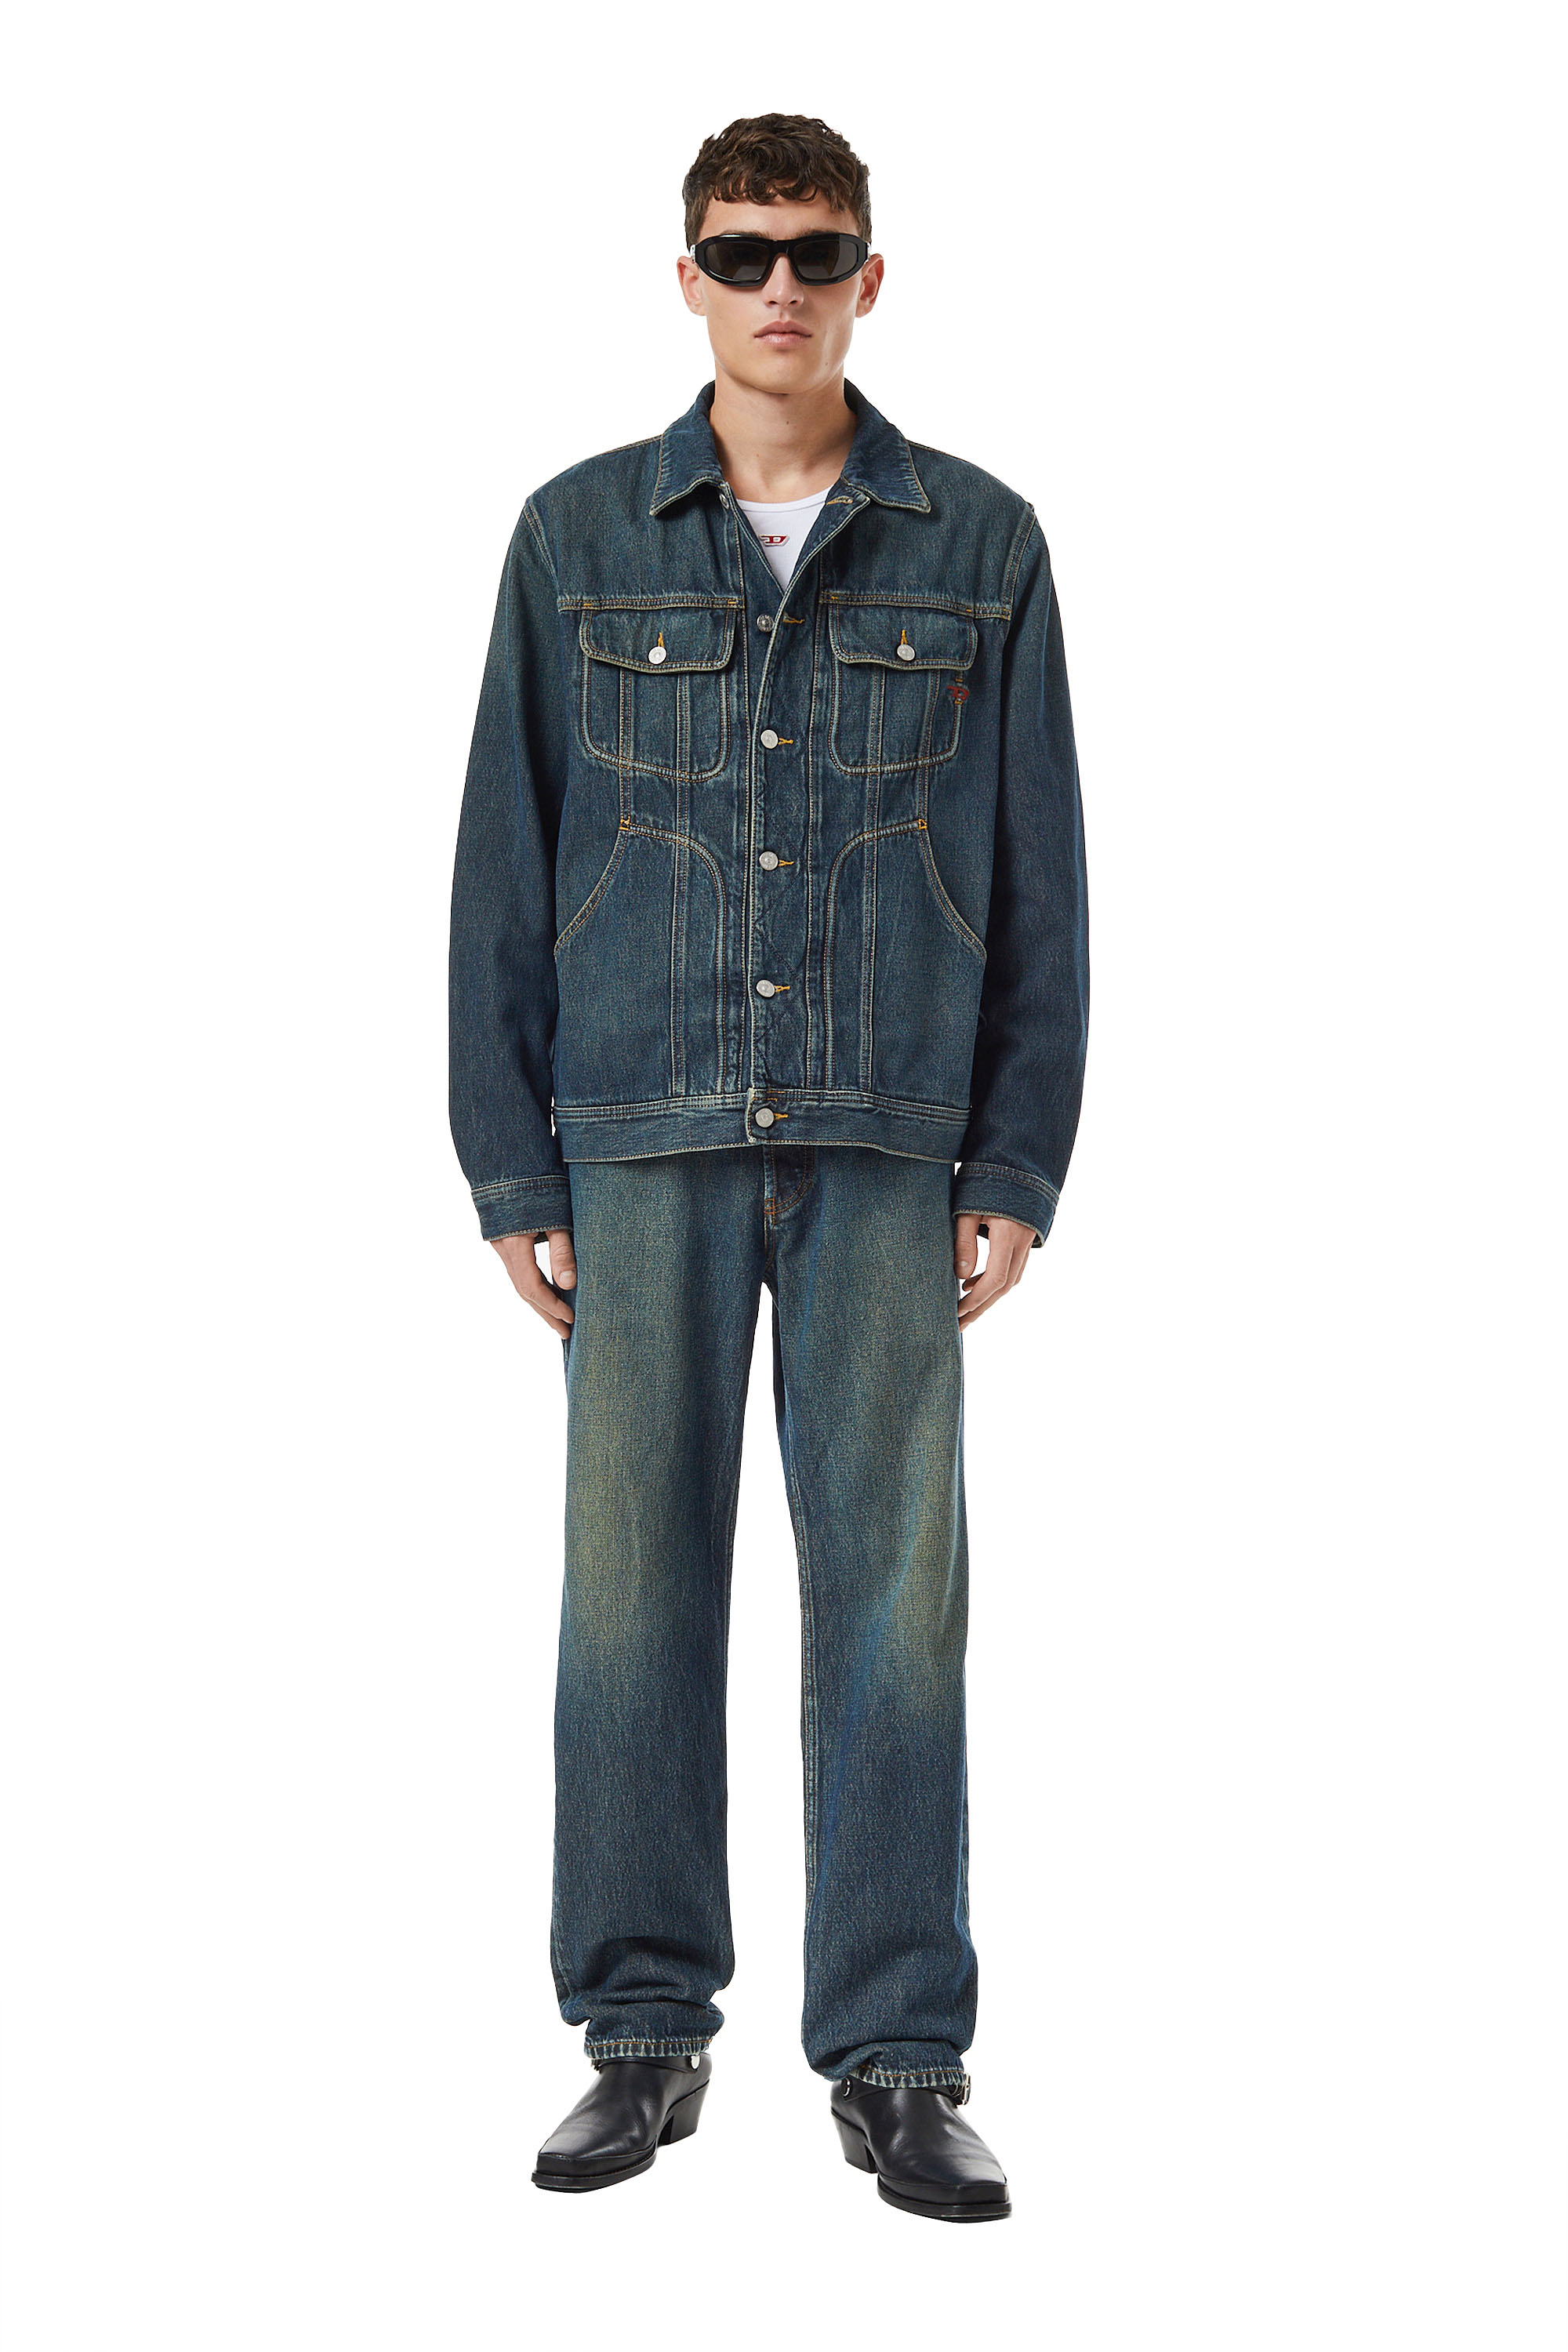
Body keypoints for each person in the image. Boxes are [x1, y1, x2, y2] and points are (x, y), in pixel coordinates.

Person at [448, 112, 1089, 2223]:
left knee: (897, 1602)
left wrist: (1019, 1151)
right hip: (635, 1133)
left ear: (871, 277)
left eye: (816, 252)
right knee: (633, 1591)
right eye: (743, 253)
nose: (781, 287)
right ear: (690, 281)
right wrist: (507, 1158)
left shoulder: (982, 542)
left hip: (894, 1137)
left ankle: (899, 2058)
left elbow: (1042, 871)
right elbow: (506, 858)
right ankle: (641, 2035)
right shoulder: (575, 537)